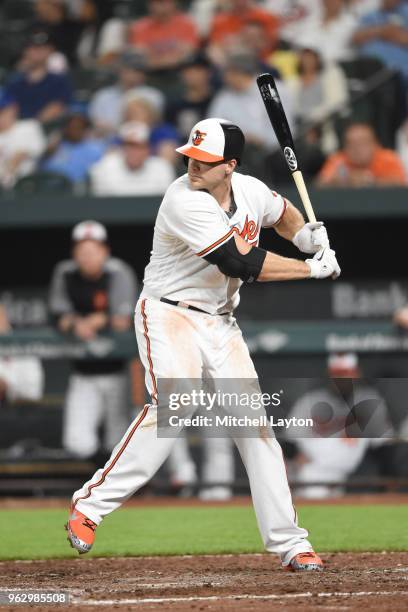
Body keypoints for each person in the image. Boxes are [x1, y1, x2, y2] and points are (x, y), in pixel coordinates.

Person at [66, 116, 341, 571]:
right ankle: (89, 504)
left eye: (204, 161)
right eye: (190, 157)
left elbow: (282, 211)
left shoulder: (250, 190)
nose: (193, 166)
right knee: (177, 404)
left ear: (229, 166)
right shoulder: (183, 200)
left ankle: (291, 543)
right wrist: (311, 267)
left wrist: (302, 235)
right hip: (168, 311)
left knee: (256, 429)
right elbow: (240, 262)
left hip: (220, 321)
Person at [49, 221, 137, 460]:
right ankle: (98, 481)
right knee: (77, 442)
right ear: (74, 252)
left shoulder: (118, 272)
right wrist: (76, 323)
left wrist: (96, 321)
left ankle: (115, 488)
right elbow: (58, 315)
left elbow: (122, 319)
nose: (87, 256)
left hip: (117, 371)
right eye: (81, 250)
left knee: (118, 442)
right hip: (83, 372)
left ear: (104, 251)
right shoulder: (65, 272)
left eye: (93, 250)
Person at [287, 353, 393, 499]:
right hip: (313, 468)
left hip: (353, 471)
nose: (341, 379)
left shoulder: (370, 399)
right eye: (337, 374)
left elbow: (384, 445)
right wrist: (295, 458)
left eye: (346, 373)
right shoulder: (310, 401)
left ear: (356, 373)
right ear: (329, 375)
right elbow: (291, 441)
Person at [208, 53, 294, 151]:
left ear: (240, 72)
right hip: (236, 153)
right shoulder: (223, 97)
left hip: (274, 152)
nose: (224, 78)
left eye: (228, 73)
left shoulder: (272, 89)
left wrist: (260, 139)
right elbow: (212, 129)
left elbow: (286, 131)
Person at [287, 48, 349, 154]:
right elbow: (290, 108)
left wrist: (313, 118)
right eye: (304, 58)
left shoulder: (329, 77)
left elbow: (338, 102)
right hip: (299, 124)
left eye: (311, 58)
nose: (307, 61)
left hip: (323, 121)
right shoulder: (292, 82)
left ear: (317, 59)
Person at [89, 50, 164, 135]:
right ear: (120, 70)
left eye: (139, 70)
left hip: (142, 141)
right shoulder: (103, 96)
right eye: (130, 69)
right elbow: (98, 126)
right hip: (106, 142)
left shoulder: (153, 95)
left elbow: (152, 125)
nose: (134, 74)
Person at [89, 121, 176, 196]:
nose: (134, 152)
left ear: (148, 149)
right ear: (122, 149)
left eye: (139, 147)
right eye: (129, 146)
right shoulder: (104, 167)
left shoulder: (162, 168)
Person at [5, 30, 72, 123]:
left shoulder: (59, 81)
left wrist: (34, 126)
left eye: (43, 48)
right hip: (17, 129)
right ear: (26, 51)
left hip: (45, 129)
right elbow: (9, 109)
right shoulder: (15, 82)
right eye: (34, 48)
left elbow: (57, 108)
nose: (38, 52)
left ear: (50, 50)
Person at [318, 122, 407, 186]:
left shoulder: (387, 158)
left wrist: (370, 180)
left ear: (375, 144)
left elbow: (400, 182)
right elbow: (321, 184)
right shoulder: (338, 160)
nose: (357, 149)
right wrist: (345, 180)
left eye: (362, 143)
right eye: (351, 144)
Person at [128, 0, 200, 71]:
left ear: (173, 3)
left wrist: (156, 56)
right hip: (148, 72)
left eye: (163, 2)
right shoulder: (140, 26)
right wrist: (171, 57)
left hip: (180, 71)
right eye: (157, 2)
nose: (160, 6)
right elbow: (139, 54)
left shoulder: (187, 24)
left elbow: (189, 52)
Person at [41, 108, 107, 184]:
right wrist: (48, 152)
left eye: (79, 127)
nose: (75, 131)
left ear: (85, 129)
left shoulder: (95, 150)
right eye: (72, 127)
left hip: (79, 191)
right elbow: (43, 169)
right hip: (49, 188)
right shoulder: (55, 147)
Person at [208, 0, 279, 66]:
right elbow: (215, 49)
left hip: (262, 64)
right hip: (230, 67)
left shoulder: (266, 18)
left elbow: (271, 46)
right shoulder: (220, 21)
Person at [352, 0, 408, 84]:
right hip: (370, 74)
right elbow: (356, 38)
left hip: (399, 76)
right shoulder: (372, 15)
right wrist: (381, 31)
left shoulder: (405, 11)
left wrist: (397, 35)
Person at [0, 305, 44, 406]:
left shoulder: (22, 346)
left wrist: (8, 386)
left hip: (15, 411)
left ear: (6, 321)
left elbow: (34, 392)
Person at [166, 52, 216, 141]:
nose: (192, 75)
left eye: (197, 70)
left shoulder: (218, 100)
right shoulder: (174, 105)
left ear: (209, 73)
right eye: (188, 71)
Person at [0, 93, 46, 189]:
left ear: (13, 109)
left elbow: (20, 156)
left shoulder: (29, 127)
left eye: (2, 111)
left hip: (26, 189)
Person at [293, 0, 358, 63]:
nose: (331, 2)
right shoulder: (310, 21)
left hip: (338, 66)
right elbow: (301, 44)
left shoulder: (351, 23)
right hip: (308, 66)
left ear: (342, 2)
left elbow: (339, 50)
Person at [122, 95, 179, 164]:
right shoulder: (122, 134)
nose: (133, 117)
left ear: (150, 114)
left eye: (137, 113)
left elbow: (167, 161)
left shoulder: (164, 132)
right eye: (130, 114)